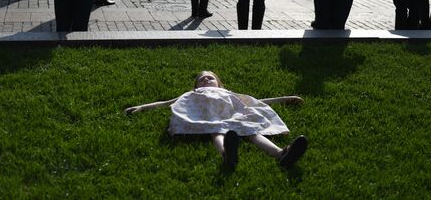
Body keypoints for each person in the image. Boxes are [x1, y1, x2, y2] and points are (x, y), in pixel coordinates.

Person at [124, 70, 308, 169]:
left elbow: (255, 101)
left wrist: (284, 99)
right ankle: (226, 154)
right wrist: (142, 107)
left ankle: (281, 154)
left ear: (219, 84)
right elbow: (167, 102)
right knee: (216, 131)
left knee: (253, 131)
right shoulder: (192, 93)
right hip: (208, 116)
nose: (205, 79)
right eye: (201, 79)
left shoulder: (227, 93)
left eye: (209, 78)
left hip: (233, 114)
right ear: (196, 86)